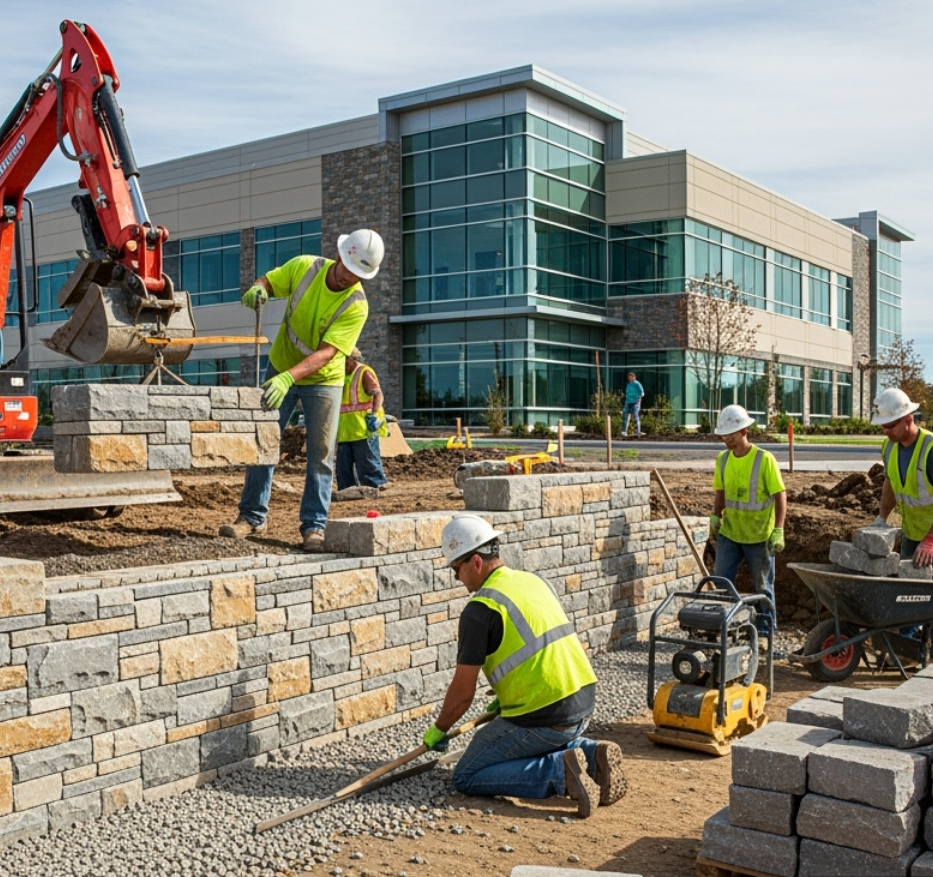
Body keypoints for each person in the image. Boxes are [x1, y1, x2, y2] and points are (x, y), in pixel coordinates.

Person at [422, 515, 627, 817]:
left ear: (475, 561)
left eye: (456, 569)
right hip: (583, 702)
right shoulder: (534, 581)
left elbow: (463, 693)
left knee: (467, 774)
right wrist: (508, 697)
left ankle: (558, 772)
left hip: (546, 717)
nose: (457, 578)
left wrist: (439, 729)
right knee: (525, 743)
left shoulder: (480, 609)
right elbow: (537, 649)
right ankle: (591, 754)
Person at [220, 229, 383, 552]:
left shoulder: (356, 305)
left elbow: (327, 353)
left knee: (321, 455)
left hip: (323, 379)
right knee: (263, 442)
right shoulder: (305, 267)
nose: (350, 278)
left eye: (358, 275)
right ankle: (251, 516)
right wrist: (259, 288)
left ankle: (314, 526)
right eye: (349, 270)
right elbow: (269, 281)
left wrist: (288, 378)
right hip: (281, 364)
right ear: (339, 256)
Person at [872, 387, 933, 665]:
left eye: (890, 425)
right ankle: (909, 651)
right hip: (914, 526)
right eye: (883, 426)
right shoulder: (889, 446)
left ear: (908, 419)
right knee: (908, 589)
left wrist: (932, 539)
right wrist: (882, 519)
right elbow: (890, 484)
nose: (886, 431)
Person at [709, 404, 786, 624]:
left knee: (763, 586)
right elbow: (721, 492)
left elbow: (780, 495)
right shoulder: (723, 459)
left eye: (731, 435)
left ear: (744, 431)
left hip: (759, 535)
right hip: (730, 533)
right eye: (724, 436)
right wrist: (715, 516)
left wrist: (778, 529)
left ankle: (765, 630)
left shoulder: (764, 459)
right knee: (721, 581)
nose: (727, 440)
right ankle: (723, 625)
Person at [332, 347, 387, 500]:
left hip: (363, 428)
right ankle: (346, 491)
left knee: (367, 462)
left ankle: (374, 488)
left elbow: (378, 395)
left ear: (352, 359)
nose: (342, 365)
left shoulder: (363, 372)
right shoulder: (341, 375)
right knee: (343, 466)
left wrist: (374, 415)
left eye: (344, 361)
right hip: (345, 430)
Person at [622, 372, 645, 437]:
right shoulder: (628, 385)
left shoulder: (637, 384)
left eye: (631, 377)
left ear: (634, 377)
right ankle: (624, 431)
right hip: (628, 402)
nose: (630, 379)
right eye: (629, 378)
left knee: (635, 416)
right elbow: (627, 394)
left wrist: (639, 398)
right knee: (625, 416)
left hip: (635, 402)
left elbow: (642, 393)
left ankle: (637, 432)